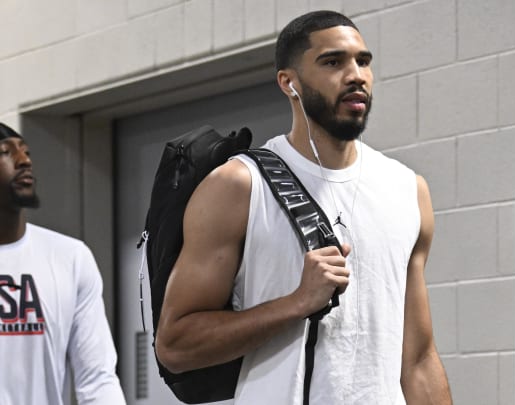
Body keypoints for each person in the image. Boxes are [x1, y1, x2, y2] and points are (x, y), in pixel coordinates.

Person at [156, 10, 452, 404]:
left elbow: (417, 359)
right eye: (333, 62)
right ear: (289, 83)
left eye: (363, 61)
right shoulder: (239, 185)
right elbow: (175, 346)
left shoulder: (408, 190)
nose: (356, 75)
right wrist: (296, 303)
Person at [0, 123, 126, 405]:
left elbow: (97, 378)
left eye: (26, 152)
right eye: (5, 153)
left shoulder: (70, 257)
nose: (24, 161)